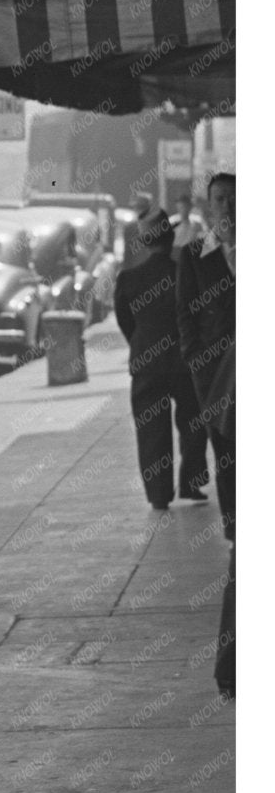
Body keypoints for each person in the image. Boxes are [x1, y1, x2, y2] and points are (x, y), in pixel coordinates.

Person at [113, 209, 209, 510]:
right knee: (194, 422)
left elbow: (125, 321)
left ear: (143, 242)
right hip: (185, 360)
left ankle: (158, 494)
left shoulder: (128, 278)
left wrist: (142, 344)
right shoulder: (185, 273)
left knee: (151, 430)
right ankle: (192, 483)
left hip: (147, 362)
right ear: (170, 238)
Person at [177, 172, 235, 545]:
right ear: (209, 206)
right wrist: (199, 364)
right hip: (216, 376)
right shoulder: (195, 256)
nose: (228, 206)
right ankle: (234, 528)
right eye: (220, 199)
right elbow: (185, 317)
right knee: (227, 453)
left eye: (235, 197)